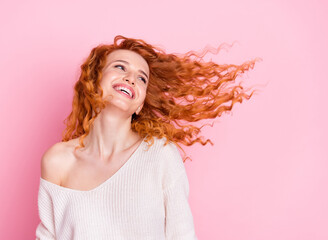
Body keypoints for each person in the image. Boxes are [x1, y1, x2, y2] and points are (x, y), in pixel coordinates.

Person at [35, 35, 260, 239]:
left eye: (141, 78)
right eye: (120, 67)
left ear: (140, 104)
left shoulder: (160, 154)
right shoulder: (57, 161)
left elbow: (181, 235)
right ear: (94, 81)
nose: (131, 78)